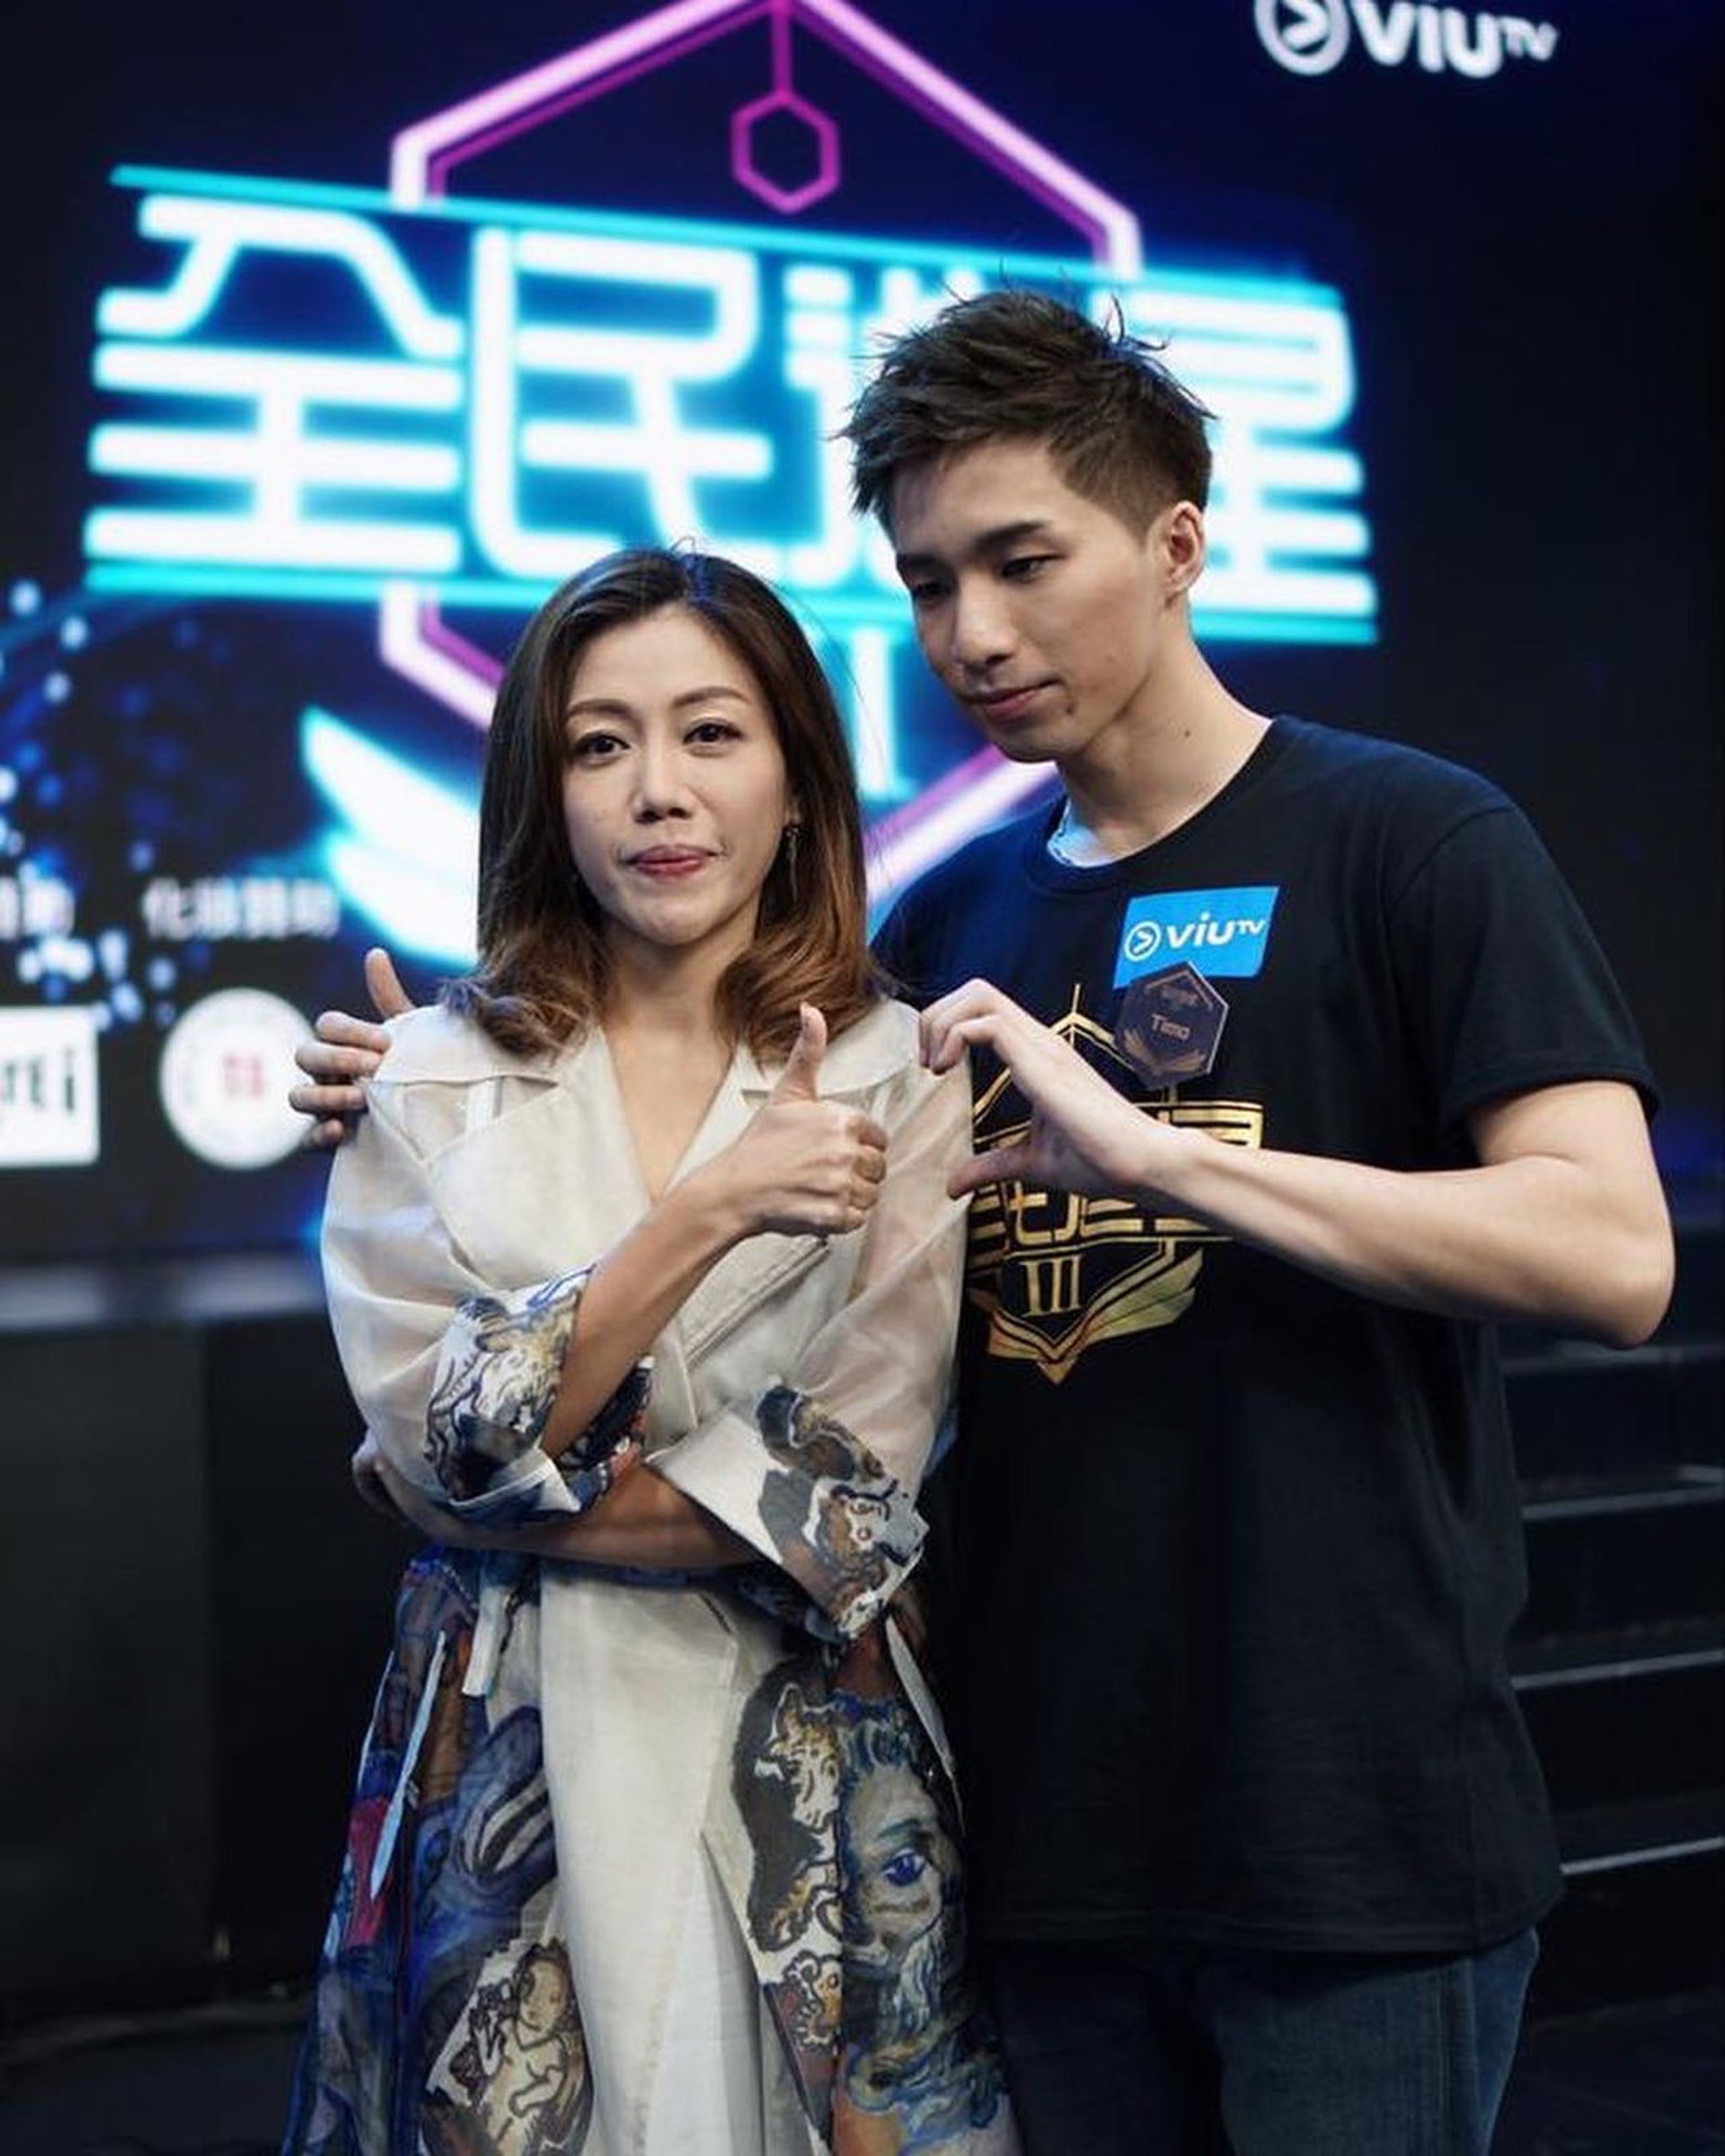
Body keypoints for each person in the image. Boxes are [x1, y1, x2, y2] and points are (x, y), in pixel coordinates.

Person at [296, 295, 1675, 2156]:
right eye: (929, 582)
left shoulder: (1411, 841)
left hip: (1347, 1828)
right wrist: (428, 1085)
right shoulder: (948, 934)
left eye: (1024, 563)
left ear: (1176, 543)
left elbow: (1613, 1255)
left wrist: (1169, 1160)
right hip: (1036, 1836)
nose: (974, 634)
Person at [282, 546, 1017, 2156]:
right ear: (541, 796)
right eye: (600, 744)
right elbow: (428, 1432)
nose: (658, 790)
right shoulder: (420, 1075)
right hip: (505, 1742)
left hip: (808, 1751)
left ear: (799, 784)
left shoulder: (906, 1070)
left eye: (711, 733)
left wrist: (482, 1505)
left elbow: (846, 1500)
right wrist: (707, 1212)